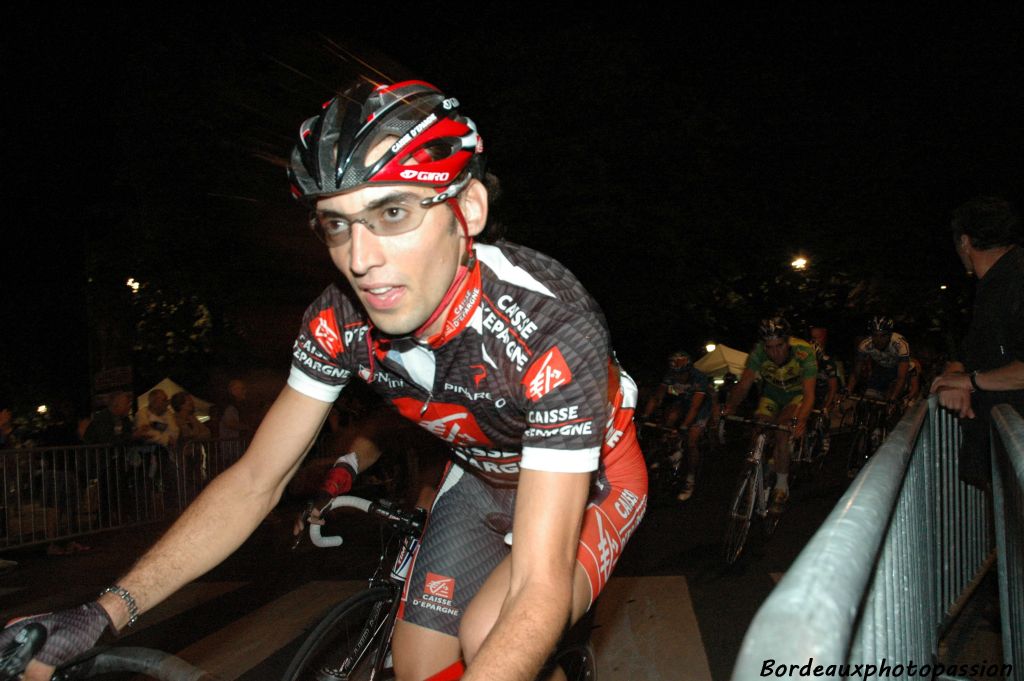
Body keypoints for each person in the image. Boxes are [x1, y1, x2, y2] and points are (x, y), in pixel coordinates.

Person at [2, 79, 647, 681]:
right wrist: (100, 614)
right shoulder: (338, 319)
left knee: (489, 636)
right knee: (417, 659)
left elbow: (539, 583)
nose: (360, 260)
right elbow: (256, 480)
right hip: (480, 478)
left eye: (392, 212)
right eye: (337, 223)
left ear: (468, 209)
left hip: (592, 481)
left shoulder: (551, 326)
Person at [931, 196, 1024, 488]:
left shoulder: (1015, 280)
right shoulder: (993, 284)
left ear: (965, 242)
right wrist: (957, 374)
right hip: (1003, 460)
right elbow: (974, 348)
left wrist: (970, 382)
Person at [723, 317, 817, 512]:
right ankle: (759, 465)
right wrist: (729, 408)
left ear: (788, 341)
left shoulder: (804, 351)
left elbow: (809, 394)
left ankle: (782, 486)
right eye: (769, 347)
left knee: (783, 431)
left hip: (795, 396)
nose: (774, 352)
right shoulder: (758, 352)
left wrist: (802, 420)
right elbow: (744, 385)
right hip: (772, 395)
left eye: (779, 346)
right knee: (759, 427)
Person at [638, 351, 711, 501]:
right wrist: (645, 416)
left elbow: (695, 407)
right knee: (669, 419)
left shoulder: (699, 378)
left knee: (691, 440)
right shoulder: (670, 374)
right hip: (683, 403)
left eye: (681, 374)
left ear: (688, 370)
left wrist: (684, 427)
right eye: (675, 374)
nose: (677, 377)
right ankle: (666, 452)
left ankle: (690, 480)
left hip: (701, 407)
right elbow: (658, 397)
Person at [845, 316, 911, 403]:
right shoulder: (865, 345)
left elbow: (901, 377)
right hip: (881, 369)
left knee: (892, 396)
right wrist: (848, 390)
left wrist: (893, 398)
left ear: (890, 334)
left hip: (899, 369)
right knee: (869, 396)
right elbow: (856, 372)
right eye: (875, 335)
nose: (878, 340)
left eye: (883, 335)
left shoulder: (900, 344)